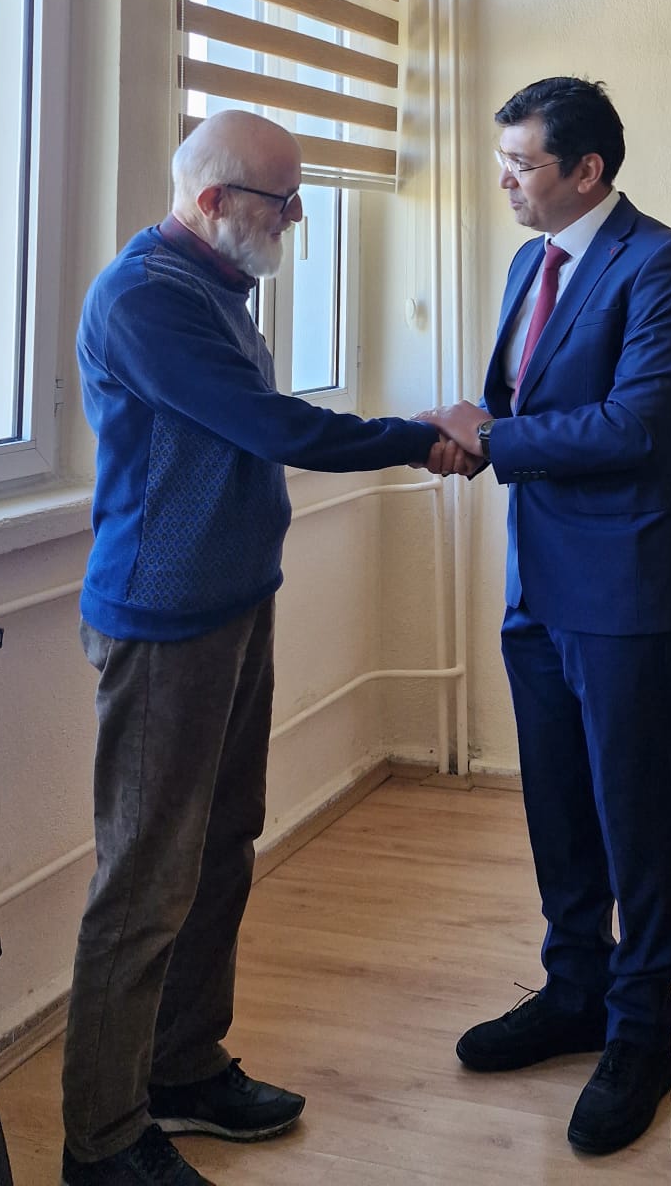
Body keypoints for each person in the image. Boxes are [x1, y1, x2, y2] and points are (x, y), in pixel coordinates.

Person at [61, 110, 468, 1186]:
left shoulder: (216, 288)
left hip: (236, 601)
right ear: (211, 201)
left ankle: (183, 1069)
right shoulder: (147, 298)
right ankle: (101, 1141)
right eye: (280, 201)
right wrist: (422, 435)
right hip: (164, 620)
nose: (294, 219)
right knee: (144, 880)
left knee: (224, 843)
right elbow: (278, 426)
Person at [421, 76, 671, 1159]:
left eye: (523, 164)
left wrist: (492, 440)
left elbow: (633, 425)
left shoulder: (665, 265)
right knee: (555, 799)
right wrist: (478, 434)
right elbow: (520, 406)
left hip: (627, 583)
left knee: (632, 807)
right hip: (535, 580)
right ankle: (575, 990)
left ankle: (643, 1028)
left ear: (588, 170)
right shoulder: (530, 261)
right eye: (504, 160)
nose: (504, 180)